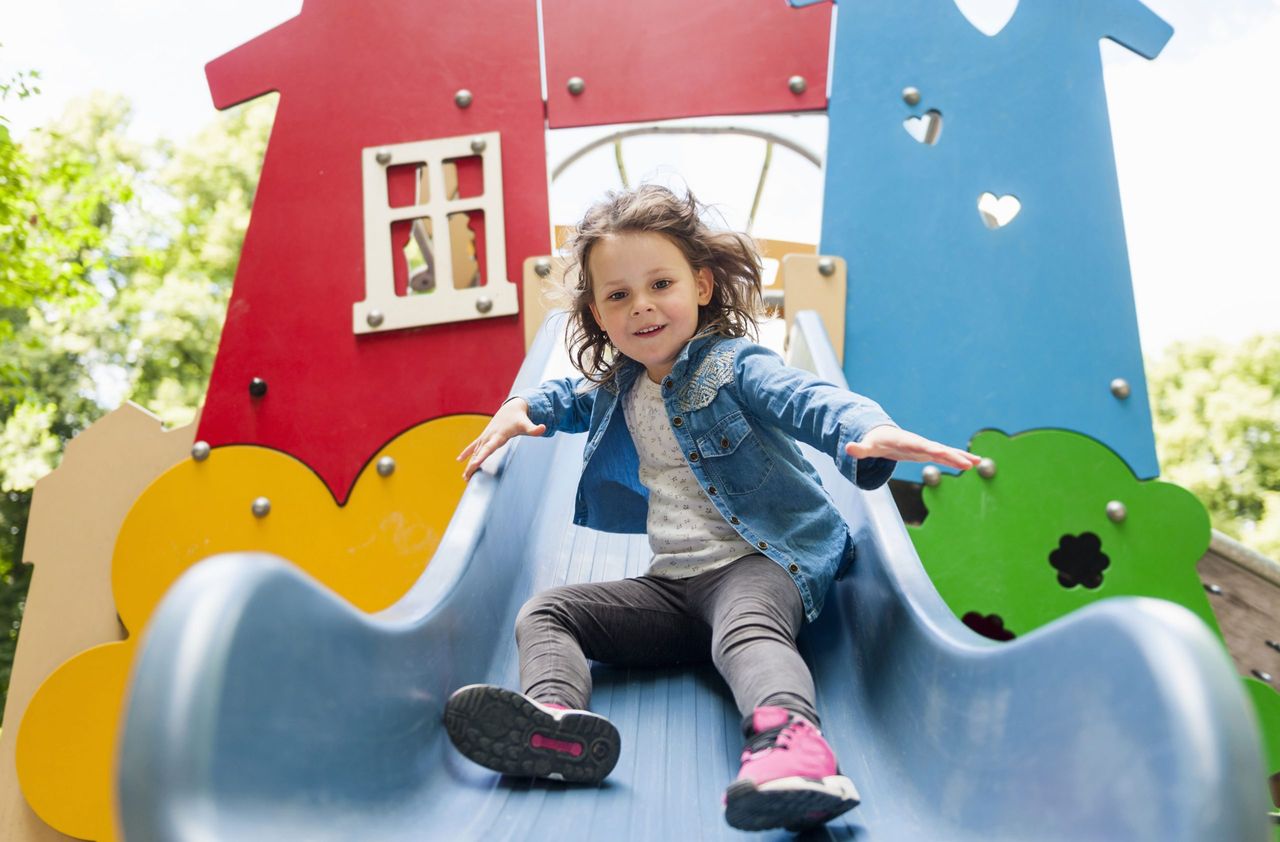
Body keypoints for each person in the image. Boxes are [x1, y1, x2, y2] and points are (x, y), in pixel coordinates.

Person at [443, 185, 980, 832]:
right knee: (548, 611)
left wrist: (864, 429)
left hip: (760, 562)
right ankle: (554, 724)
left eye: (660, 283)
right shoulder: (620, 387)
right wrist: (521, 408)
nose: (641, 305)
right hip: (674, 590)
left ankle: (794, 750)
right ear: (598, 315)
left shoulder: (732, 366)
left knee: (747, 632)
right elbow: (568, 396)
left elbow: (802, 397)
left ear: (700, 285)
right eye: (617, 295)